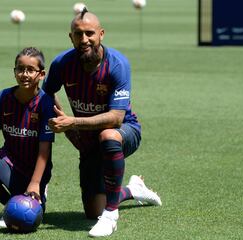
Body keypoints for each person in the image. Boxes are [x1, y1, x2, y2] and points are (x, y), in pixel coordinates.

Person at [42, 9, 162, 237]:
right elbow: (46, 94)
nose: (84, 39)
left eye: (90, 33)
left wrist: (73, 122)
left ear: (101, 34)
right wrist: (67, 129)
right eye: (78, 34)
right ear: (71, 37)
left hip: (124, 131)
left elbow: (116, 118)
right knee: (91, 211)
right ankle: (132, 189)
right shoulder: (62, 63)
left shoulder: (117, 64)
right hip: (88, 139)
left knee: (108, 136)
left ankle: (111, 215)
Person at [0, 47, 55, 228]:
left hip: (35, 170)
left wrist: (35, 183)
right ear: (14, 72)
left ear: (41, 74)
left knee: (35, 215)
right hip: (9, 162)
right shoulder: (4, 96)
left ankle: (39, 190)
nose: (24, 74)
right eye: (20, 69)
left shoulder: (46, 103)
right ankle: (10, 206)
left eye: (31, 70)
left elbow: (44, 149)